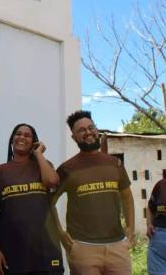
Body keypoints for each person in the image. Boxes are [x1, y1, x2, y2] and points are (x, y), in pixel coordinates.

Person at [54, 110, 135, 275]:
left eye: (91, 127)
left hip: (118, 247)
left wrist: (131, 227)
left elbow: (127, 197)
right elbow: (48, 203)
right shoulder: (66, 169)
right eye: (81, 130)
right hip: (83, 249)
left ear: (97, 130)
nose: (88, 132)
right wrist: (60, 234)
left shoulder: (115, 164)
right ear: (74, 137)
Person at [0, 123, 63, 275]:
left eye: (27, 135)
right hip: (12, 253)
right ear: (12, 140)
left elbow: (52, 182)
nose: (21, 137)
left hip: (46, 251)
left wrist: (39, 154)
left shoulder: (43, 166)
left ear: (34, 142)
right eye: (18, 134)